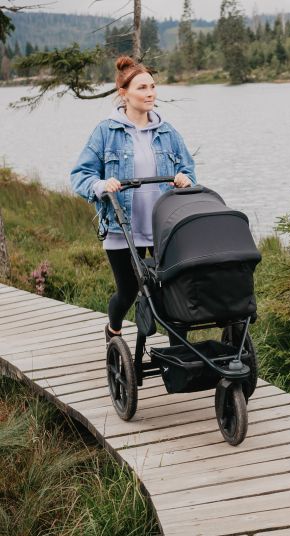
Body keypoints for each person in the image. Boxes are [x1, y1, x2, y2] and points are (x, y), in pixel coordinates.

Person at [71, 56, 196, 344]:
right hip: (121, 229)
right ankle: (114, 328)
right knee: (127, 291)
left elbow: (188, 169)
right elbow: (80, 175)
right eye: (142, 87)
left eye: (152, 86)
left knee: (171, 289)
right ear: (124, 92)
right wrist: (101, 185)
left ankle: (179, 351)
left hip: (164, 228)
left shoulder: (167, 132)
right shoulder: (106, 132)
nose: (150, 93)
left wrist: (185, 179)